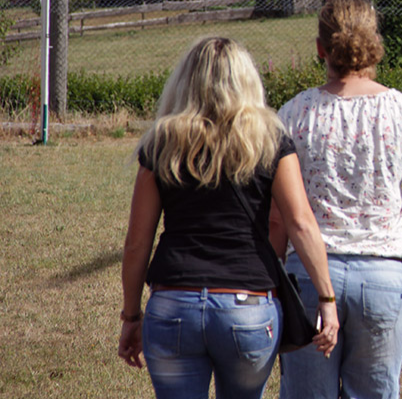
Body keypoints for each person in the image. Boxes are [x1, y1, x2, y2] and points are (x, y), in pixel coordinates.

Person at [119, 37, 339, 399]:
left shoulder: (161, 143)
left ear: (185, 82)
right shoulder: (270, 140)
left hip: (174, 303)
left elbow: (137, 242)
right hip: (248, 307)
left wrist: (131, 316)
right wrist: (327, 302)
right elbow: (299, 223)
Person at [276, 0, 402, 399]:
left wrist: (271, 279)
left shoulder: (292, 114)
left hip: (309, 277)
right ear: (374, 42)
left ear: (321, 48)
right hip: (384, 279)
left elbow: (279, 217)